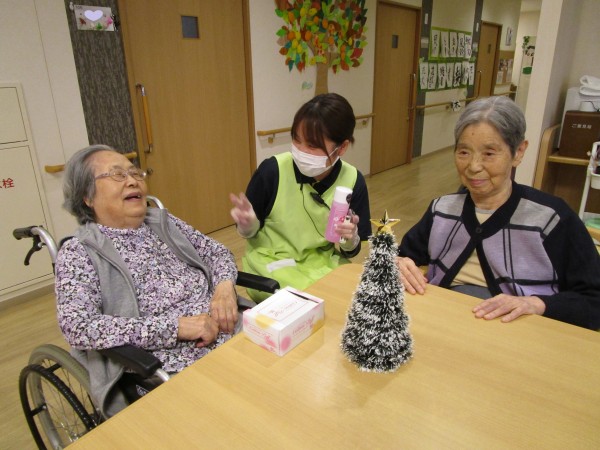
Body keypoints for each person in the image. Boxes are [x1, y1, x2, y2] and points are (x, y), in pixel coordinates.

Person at [56, 144, 240, 417]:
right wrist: (175, 327)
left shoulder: (161, 221)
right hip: (168, 362)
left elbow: (216, 252)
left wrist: (224, 288)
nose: (133, 181)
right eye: (117, 175)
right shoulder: (79, 252)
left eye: (134, 173)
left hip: (230, 329)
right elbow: (78, 326)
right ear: (87, 197)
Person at [397, 96, 600, 330]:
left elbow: (593, 299)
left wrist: (536, 304)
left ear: (518, 152)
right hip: (444, 322)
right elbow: (402, 256)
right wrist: (397, 263)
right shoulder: (441, 209)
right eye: (464, 152)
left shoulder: (550, 218)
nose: (474, 166)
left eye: (489, 153)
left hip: (520, 331)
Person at [230, 93, 371, 301]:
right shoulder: (272, 171)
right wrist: (247, 224)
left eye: (312, 146)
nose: (301, 151)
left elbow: (350, 252)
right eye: (297, 140)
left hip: (322, 262)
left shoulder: (353, 180)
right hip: (274, 264)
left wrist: (350, 239)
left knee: (362, 295)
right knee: (313, 303)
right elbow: (249, 233)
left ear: (342, 148)